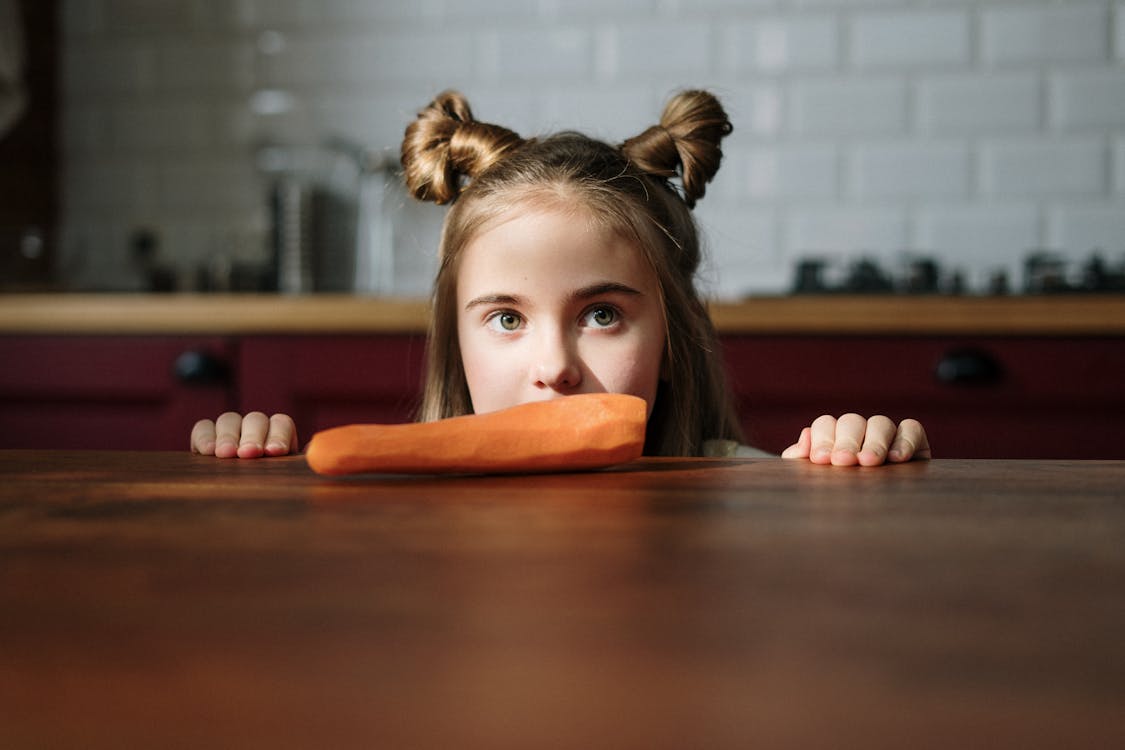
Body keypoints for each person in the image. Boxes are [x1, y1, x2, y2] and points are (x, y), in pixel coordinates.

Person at [191, 89, 931, 468]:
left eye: (601, 314)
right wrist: (260, 479)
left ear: (672, 337)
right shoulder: (402, 494)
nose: (554, 369)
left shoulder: (738, 485)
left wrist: (855, 462)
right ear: (455, 342)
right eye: (506, 319)